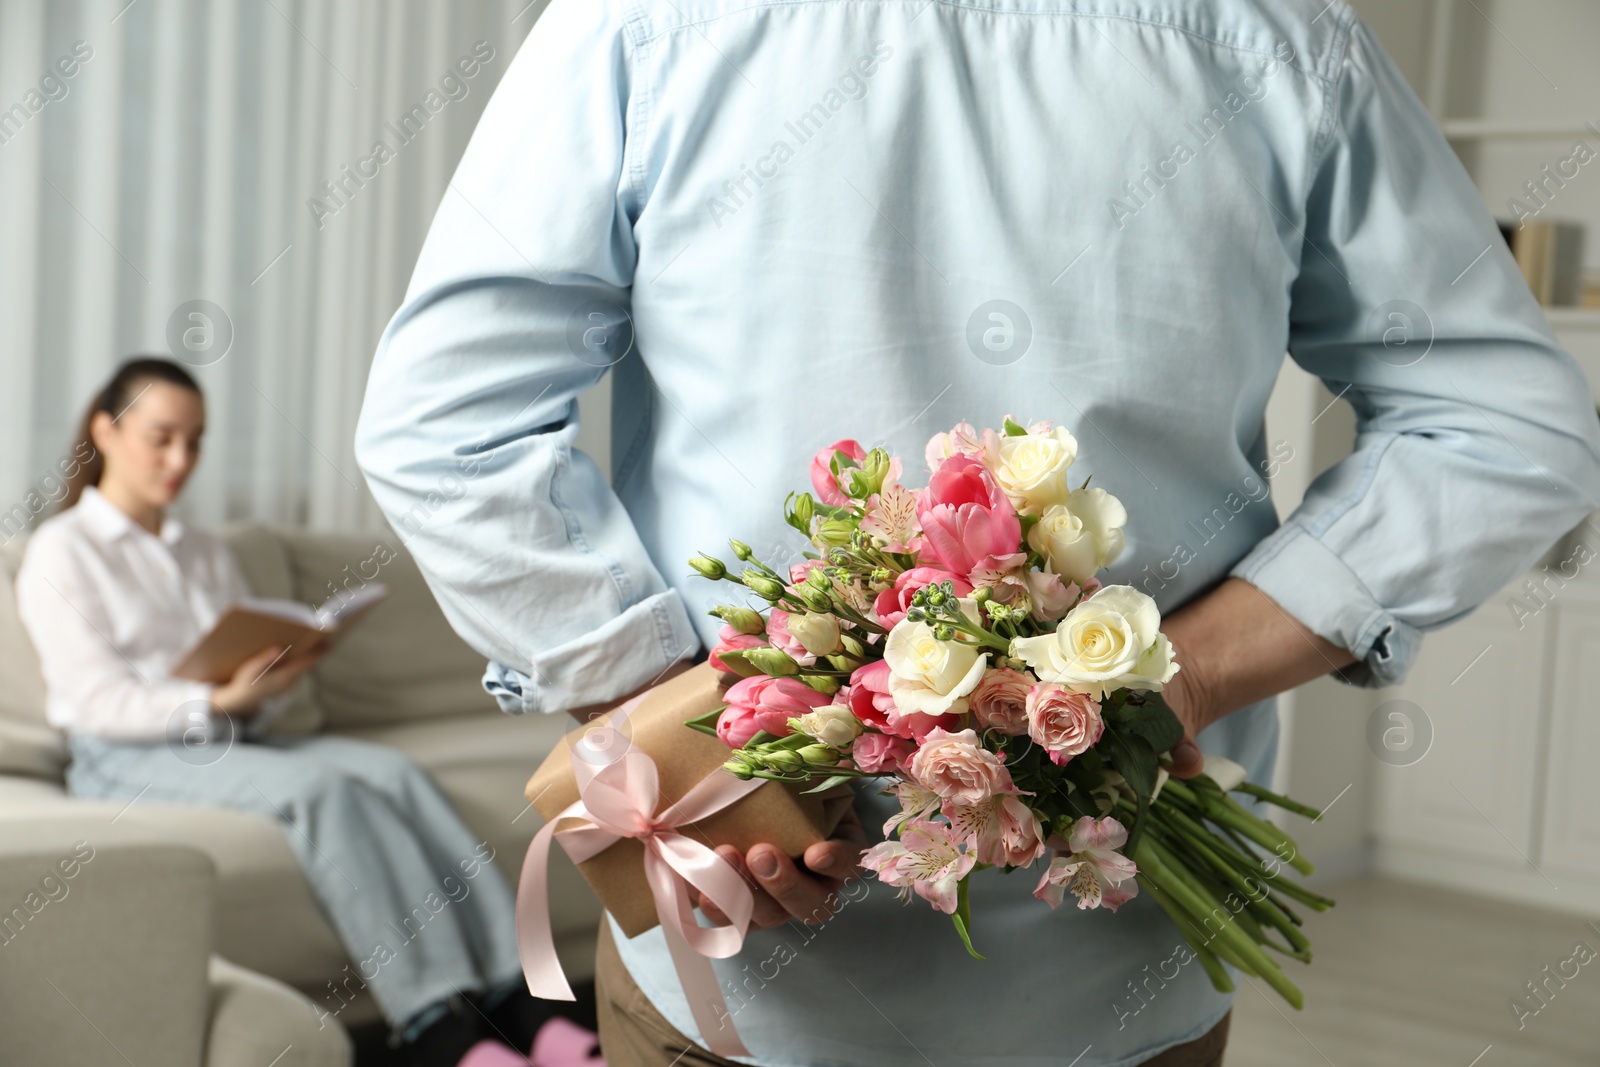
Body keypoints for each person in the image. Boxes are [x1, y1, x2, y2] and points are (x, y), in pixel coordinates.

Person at [353, 1, 1600, 1065]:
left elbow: (440, 425)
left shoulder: (641, 21)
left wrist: (683, 735)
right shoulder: (1271, 31)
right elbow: (1508, 430)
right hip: (1118, 970)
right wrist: (1189, 672)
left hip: (748, 952)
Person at [16, 357, 534, 1064]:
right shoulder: (62, 550)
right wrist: (215, 698)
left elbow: (234, 678)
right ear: (105, 430)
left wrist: (271, 681)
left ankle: (516, 995)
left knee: (395, 773)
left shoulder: (203, 551)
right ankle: (433, 1025)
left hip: (229, 734)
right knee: (321, 791)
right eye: (162, 436)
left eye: (195, 441)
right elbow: (96, 700)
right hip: (122, 754)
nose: (180, 459)